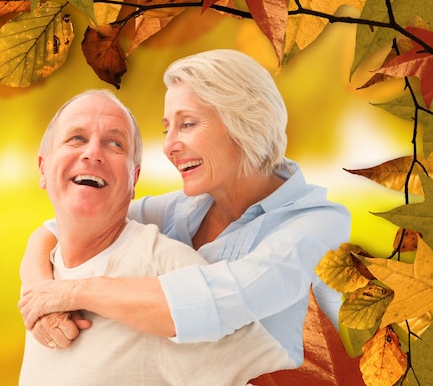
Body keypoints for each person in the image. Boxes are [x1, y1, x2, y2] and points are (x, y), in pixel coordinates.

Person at [19, 50, 351, 371]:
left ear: (245, 123)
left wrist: (72, 292)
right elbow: (58, 227)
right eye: (167, 129)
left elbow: (219, 302)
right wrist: (38, 295)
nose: (168, 146)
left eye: (187, 124)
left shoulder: (320, 227)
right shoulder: (184, 209)